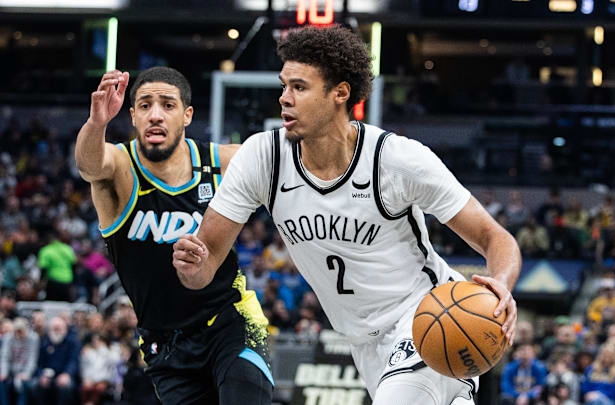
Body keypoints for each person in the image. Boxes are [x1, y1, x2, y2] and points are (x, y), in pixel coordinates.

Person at [173, 25, 521, 405]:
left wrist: (500, 282)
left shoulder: (397, 160)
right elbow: (205, 262)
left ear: (340, 93)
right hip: (362, 345)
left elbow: (495, 237)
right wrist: (194, 269)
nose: (284, 99)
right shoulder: (262, 157)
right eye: (283, 85)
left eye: (299, 87)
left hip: (426, 319)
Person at [74, 66, 273, 404]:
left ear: (187, 115)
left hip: (230, 321)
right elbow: (89, 165)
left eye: (167, 105)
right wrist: (97, 123)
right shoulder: (120, 169)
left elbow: (285, 158)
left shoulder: (219, 162)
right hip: (165, 345)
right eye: (146, 105)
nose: (156, 115)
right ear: (133, 115)